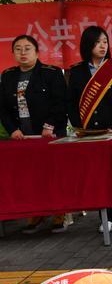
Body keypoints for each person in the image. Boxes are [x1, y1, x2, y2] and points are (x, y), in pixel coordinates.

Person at [0, 34, 69, 234]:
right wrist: (12, 129)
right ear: (13, 53)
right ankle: (36, 214)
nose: (23, 53)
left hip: (49, 134)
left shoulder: (51, 73)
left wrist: (50, 125)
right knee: (30, 176)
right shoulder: (8, 75)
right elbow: (2, 108)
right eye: (18, 49)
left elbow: (61, 103)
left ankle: (59, 213)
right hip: (23, 136)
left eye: (27, 48)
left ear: (37, 52)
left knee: (53, 175)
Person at [67, 26, 112, 233]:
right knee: (99, 176)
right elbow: (72, 104)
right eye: (97, 42)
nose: (102, 46)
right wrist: (80, 127)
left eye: (105, 41)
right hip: (90, 134)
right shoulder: (77, 71)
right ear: (87, 45)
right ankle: (105, 217)